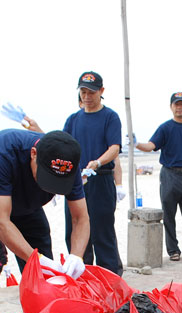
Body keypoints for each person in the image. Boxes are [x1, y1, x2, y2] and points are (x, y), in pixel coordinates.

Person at [0, 128, 90, 308]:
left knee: (44, 278)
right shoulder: (2, 152)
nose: (50, 188)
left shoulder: (68, 165)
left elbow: (80, 218)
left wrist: (77, 256)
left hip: (29, 208)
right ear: (33, 154)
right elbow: (0, 222)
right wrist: (36, 259)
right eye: (47, 179)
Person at [63, 71, 123, 275]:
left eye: (92, 92)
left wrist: (97, 163)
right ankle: (82, 278)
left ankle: (111, 279)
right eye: (83, 92)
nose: (87, 97)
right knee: (75, 232)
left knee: (102, 233)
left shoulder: (110, 117)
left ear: (101, 92)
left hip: (101, 181)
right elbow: (62, 147)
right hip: (76, 183)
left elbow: (115, 147)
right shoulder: (72, 120)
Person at [135, 92, 182, 262]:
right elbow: (152, 145)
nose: (179, 107)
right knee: (169, 214)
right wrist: (136, 143)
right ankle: (173, 249)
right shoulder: (165, 128)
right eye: (176, 104)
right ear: (171, 107)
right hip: (169, 175)